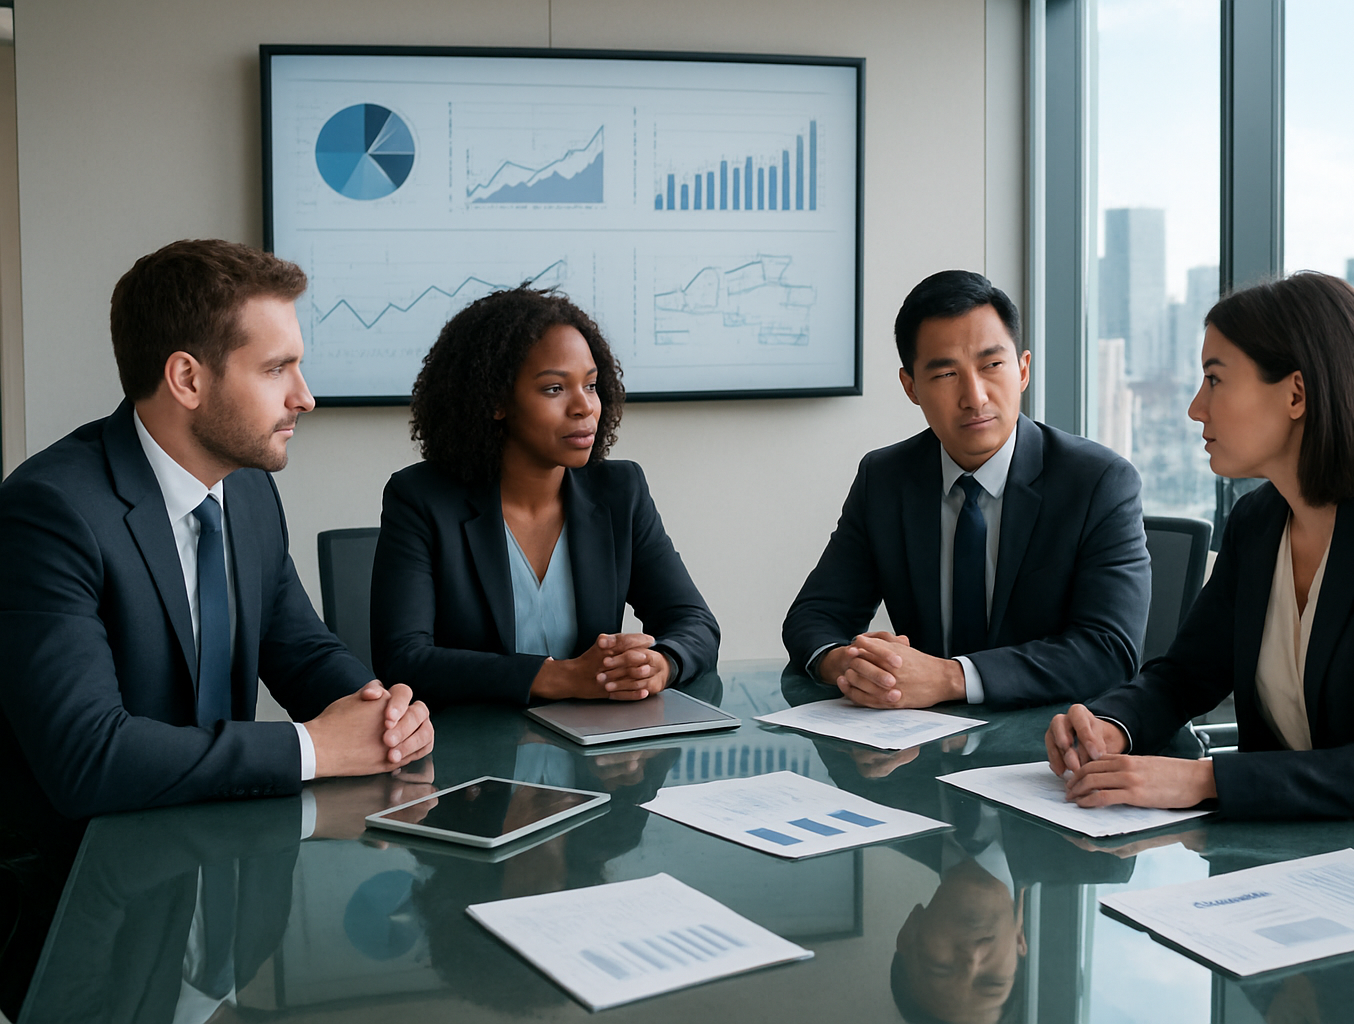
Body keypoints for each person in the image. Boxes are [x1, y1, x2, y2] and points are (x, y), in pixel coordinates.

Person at [0, 239, 435, 1015]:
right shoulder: (51, 511)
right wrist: (313, 746)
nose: (305, 396)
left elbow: (297, 643)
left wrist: (380, 710)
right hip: (88, 919)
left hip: (220, 909)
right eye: (277, 370)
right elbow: (88, 757)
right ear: (188, 379)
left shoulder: (246, 492)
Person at [1045, 271, 1354, 865]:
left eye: (1215, 379)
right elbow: (1183, 676)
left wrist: (1204, 781)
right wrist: (1109, 724)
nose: (1196, 407)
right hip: (1298, 856)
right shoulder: (1258, 523)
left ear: (1296, 393)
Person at [782, 270, 1151, 709]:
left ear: (1023, 369)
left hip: (1047, 746)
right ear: (911, 387)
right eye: (945, 375)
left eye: (992, 365)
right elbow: (815, 615)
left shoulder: (1098, 482)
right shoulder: (886, 478)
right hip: (918, 747)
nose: (974, 397)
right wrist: (849, 664)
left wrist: (950, 677)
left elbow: (1108, 649)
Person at [371, 285, 720, 705]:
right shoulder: (421, 499)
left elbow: (693, 622)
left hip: (593, 750)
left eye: (590, 386)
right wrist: (562, 677)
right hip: (469, 753)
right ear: (497, 400)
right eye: (555, 389)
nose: (585, 407)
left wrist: (658, 665)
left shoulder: (620, 492)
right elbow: (404, 660)